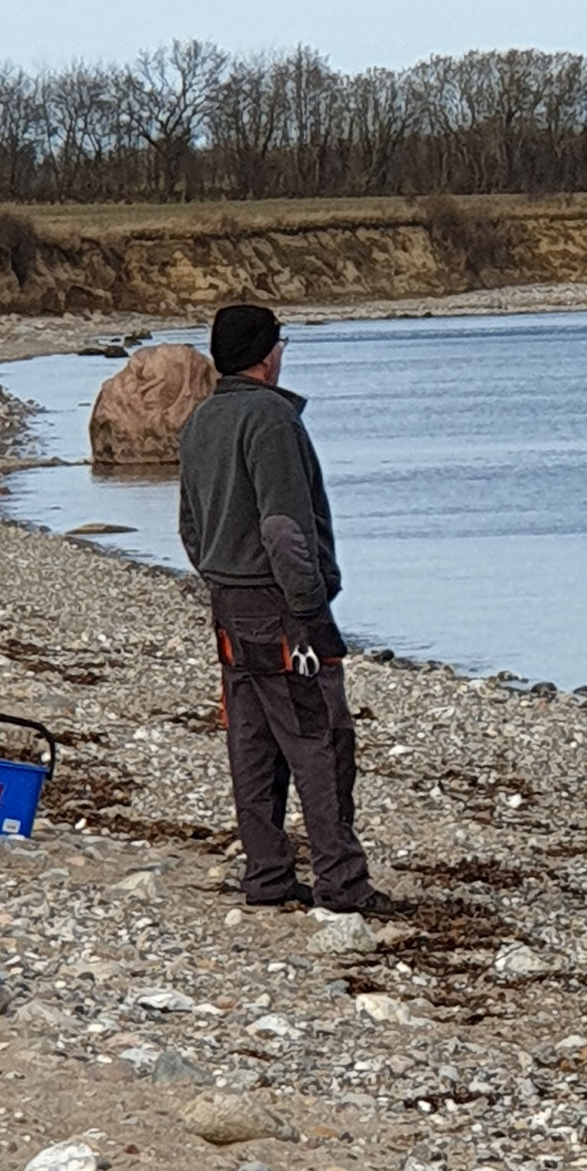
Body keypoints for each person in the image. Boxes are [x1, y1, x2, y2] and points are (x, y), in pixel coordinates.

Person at [178, 304, 397, 917]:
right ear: (269, 354)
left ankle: (268, 875)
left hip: (229, 602)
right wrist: (308, 608)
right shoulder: (271, 421)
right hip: (279, 605)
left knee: (253, 741)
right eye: (280, 345)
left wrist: (222, 577)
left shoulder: (200, 423)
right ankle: (342, 884)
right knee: (320, 739)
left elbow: (190, 527)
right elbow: (283, 529)